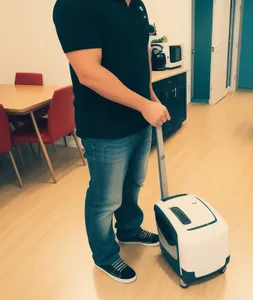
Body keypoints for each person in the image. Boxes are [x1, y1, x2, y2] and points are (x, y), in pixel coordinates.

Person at [52, 0, 170, 284]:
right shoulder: (74, 5)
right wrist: (143, 103)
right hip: (105, 125)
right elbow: (88, 73)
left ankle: (129, 229)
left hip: (139, 118)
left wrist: (150, 95)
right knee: (106, 198)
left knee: (134, 183)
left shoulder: (136, 5)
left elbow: (142, 53)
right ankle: (104, 256)